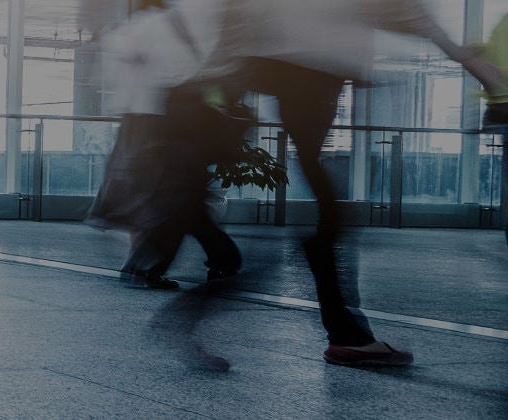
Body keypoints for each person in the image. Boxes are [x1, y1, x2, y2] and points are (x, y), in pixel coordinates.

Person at [197, 0, 508, 366]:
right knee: (329, 213)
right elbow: (405, 11)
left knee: (326, 204)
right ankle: (344, 331)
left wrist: (219, 77)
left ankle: (343, 327)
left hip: (280, 72)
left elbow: (240, 14)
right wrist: (477, 69)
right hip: (317, 75)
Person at [88, 0, 238, 291]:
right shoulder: (176, 23)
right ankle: (215, 259)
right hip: (171, 120)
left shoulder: (131, 31)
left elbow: (113, 78)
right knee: (183, 197)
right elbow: (201, 71)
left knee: (179, 196)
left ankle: (151, 266)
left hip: (148, 121)